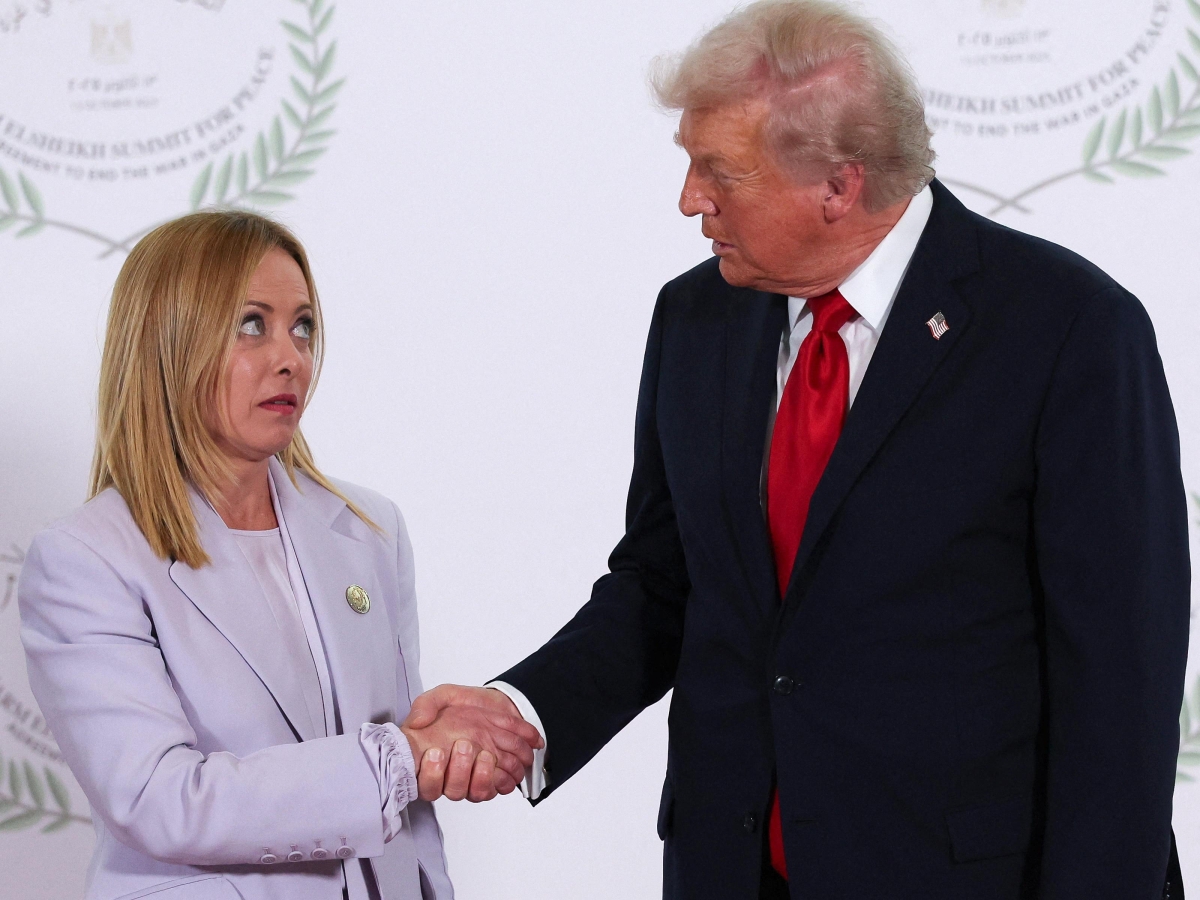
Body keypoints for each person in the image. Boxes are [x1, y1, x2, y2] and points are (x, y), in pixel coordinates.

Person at [407, 1, 1191, 897]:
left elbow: (1121, 684)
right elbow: (665, 583)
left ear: (838, 185)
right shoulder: (695, 317)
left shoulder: (1068, 330)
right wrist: (523, 711)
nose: (690, 199)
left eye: (720, 171)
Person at [17, 211, 541, 900]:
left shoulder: (370, 530)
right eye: (251, 324)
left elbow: (409, 823)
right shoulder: (86, 560)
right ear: (169, 342)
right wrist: (397, 760)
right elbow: (161, 799)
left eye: (303, 326)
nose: (291, 356)